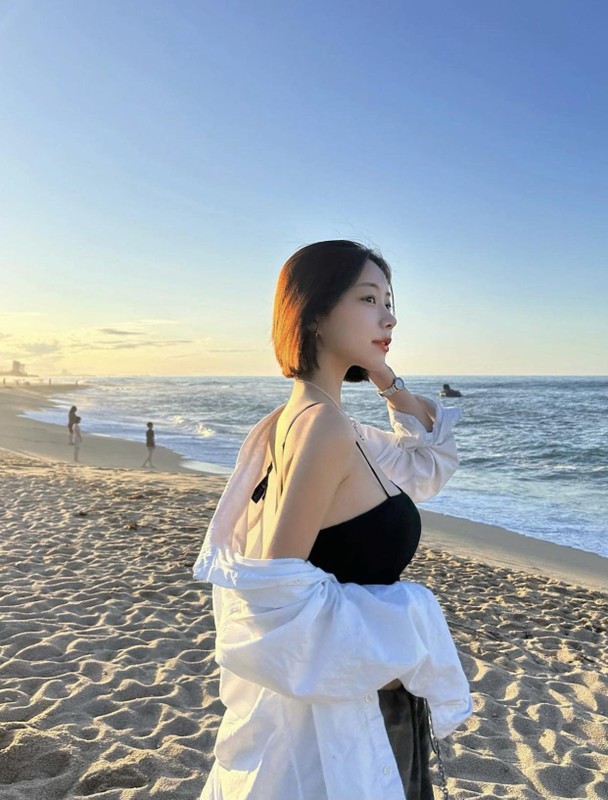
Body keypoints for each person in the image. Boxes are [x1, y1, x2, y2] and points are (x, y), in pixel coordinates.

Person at [194, 240, 472, 800]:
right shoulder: (325, 428)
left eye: (389, 302)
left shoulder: (302, 419)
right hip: (348, 714)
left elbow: (426, 463)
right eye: (368, 299)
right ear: (315, 312)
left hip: (351, 690)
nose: (389, 318)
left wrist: (386, 378)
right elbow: (277, 600)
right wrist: (408, 621)